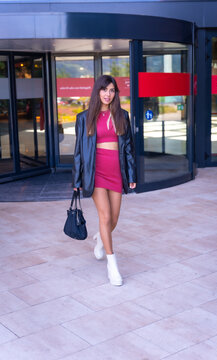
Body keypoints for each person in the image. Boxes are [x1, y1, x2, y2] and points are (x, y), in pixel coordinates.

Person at [72, 75, 136, 286]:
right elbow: (79, 152)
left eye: (111, 90)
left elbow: (128, 148)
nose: (108, 94)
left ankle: (100, 239)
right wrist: (77, 178)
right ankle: (112, 265)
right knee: (105, 215)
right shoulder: (84, 117)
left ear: (116, 93)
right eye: (104, 90)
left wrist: (132, 174)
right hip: (96, 172)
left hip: (116, 171)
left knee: (114, 219)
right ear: (97, 91)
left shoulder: (122, 115)